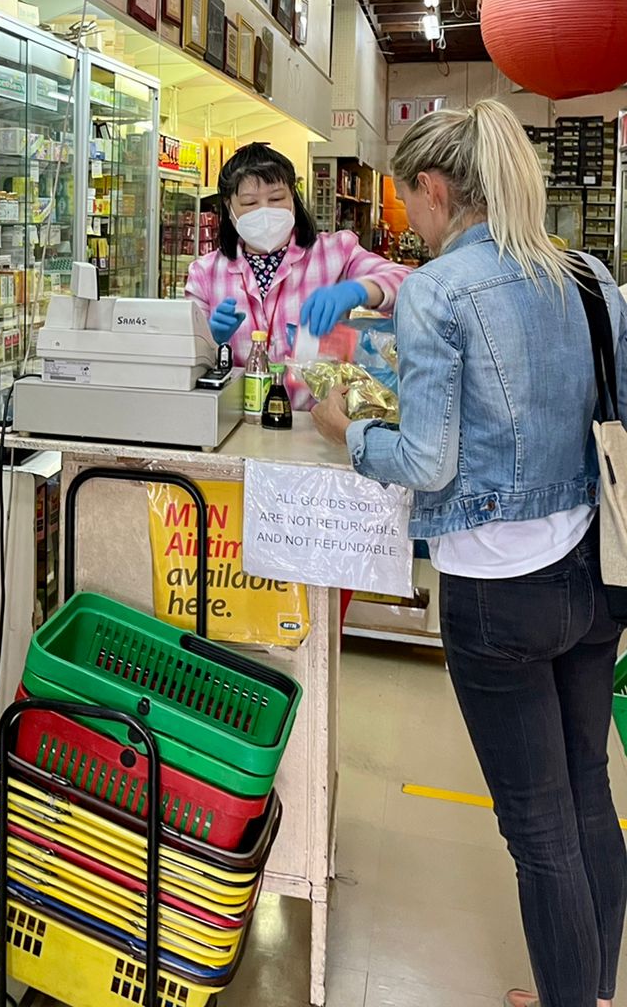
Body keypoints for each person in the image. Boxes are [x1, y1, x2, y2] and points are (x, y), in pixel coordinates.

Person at [312, 99, 626, 1007]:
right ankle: (590, 991)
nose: (409, 219)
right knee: (589, 791)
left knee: (538, 828)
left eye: (408, 200)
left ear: (435, 188)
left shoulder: (443, 291)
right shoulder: (589, 276)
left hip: (497, 589)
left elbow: (426, 461)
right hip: (597, 571)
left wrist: (347, 431)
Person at [184, 143, 410, 409]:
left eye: (276, 198)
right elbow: (184, 364)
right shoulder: (206, 273)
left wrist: (359, 290)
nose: (264, 211)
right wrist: (209, 338)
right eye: (249, 203)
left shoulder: (335, 252)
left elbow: (410, 284)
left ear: (293, 196)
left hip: (321, 420)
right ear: (229, 207)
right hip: (235, 421)